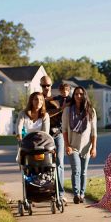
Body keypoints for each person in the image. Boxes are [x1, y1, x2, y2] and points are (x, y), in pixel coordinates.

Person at [62, 86, 97, 204]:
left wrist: (94, 147)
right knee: (76, 170)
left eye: (81, 94)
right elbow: (65, 130)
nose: (78, 96)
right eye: (76, 94)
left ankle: (82, 194)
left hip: (86, 147)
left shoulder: (90, 111)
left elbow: (94, 132)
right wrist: (67, 145)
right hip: (73, 146)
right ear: (73, 95)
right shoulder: (68, 110)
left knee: (83, 172)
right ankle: (76, 194)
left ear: (84, 95)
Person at [40, 76, 67, 204]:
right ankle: (47, 192)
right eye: (43, 85)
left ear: (51, 85)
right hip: (44, 136)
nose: (46, 88)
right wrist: (59, 110)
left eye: (48, 85)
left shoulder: (57, 99)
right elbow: (43, 114)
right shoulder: (38, 99)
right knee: (45, 165)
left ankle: (61, 194)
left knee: (60, 163)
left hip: (58, 134)